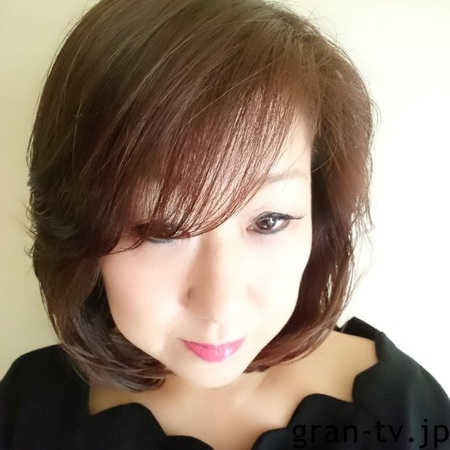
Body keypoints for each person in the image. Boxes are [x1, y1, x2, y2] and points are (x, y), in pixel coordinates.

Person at [1, 0, 449, 449]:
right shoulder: (28, 408)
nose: (220, 305)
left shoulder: (404, 415)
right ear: (76, 225)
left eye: (269, 220)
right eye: (162, 231)